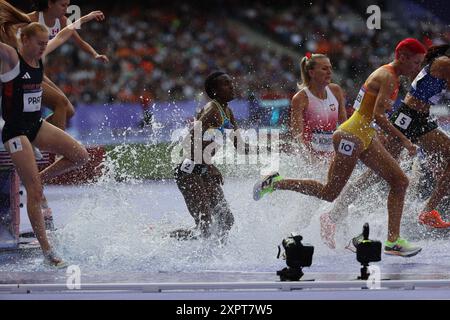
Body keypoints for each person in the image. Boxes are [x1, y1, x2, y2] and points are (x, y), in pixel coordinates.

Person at [254, 38, 427, 257]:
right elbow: (377, 116)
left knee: (400, 181)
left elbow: (360, 112)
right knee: (329, 193)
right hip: (351, 137)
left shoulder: (379, 77)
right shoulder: (388, 77)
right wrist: (404, 141)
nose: (418, 68)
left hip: (360, 135)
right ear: (402, 57)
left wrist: (371, 133)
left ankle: (393, 241)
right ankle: (276, 183)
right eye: (416, 63)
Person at [0, 12, 104, 266]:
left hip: (34, 125)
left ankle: (38, 178)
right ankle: (49, 253)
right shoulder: (12, 58)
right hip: (15, 131)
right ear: (23, 40)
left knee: (80, 156)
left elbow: (67, 32)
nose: (43, 48)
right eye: (39, 44)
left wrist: (88, 16)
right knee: (35, 192)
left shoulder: (40, 56)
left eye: (46, 44)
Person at [321, 43, 450, 247]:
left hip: (422, 119)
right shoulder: (444, 63)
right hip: (406, 118)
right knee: (374, 175)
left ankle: (428, 212)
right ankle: (333, 215)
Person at [174, 71, 258, 240]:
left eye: (231, 82)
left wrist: (269, 148)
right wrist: (210, 165)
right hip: (188, 170)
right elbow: (190, 140)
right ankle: (166, 239)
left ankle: (217, 256)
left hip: (203, 169)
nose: (232, 86)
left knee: (226, 220)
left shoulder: (227, 111)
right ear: (214, 91)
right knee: (204, 223)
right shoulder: (211, 109)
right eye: (226, 84)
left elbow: (240, 147)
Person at [28, 0, 109, 130]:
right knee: (61, 103)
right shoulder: (30, 20)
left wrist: (95, 54)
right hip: (25, 72)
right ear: (50, 4)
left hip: (38, 71)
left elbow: (66, 37)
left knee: (68, 111)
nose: (66, 9)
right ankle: (55, 147)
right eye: (63, 5)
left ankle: (37, 135)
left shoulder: (61, 23)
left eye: (68, 5)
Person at [289, 53, 347, 160]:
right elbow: (297, 135)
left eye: (330, 68)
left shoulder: (336, 91)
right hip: (310, 157)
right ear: (311, 73)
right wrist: (309, 158)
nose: (330, 72)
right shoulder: (300, 98)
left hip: (332, 156)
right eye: (324, 69)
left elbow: (345, 125)